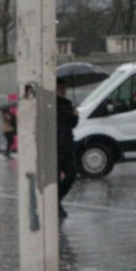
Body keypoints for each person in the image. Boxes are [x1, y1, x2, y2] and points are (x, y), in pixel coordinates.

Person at [56, 80, 79, 219]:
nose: (63, 90)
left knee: (71, 175)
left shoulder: (67, 103)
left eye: (64, 87)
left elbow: (73, 124)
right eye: (61, 87)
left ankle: (56, 200)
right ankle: (56, 205)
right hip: (54, 145)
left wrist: (75, 114)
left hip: (67, 144)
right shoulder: (49, 103)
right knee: (54, 179)